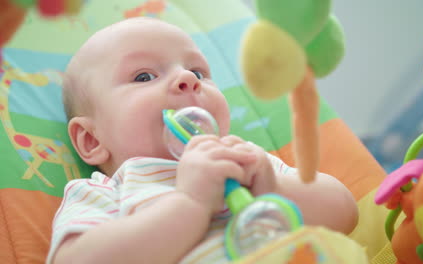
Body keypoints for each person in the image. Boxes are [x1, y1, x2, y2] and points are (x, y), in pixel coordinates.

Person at [48, 17, 358, 264]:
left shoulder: (245, 160)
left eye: (198, 70)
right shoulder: (102, 192)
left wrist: (271, 187)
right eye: (144, 77)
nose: (188, 79)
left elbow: (345, 213)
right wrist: (190, 203)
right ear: (91, 140)